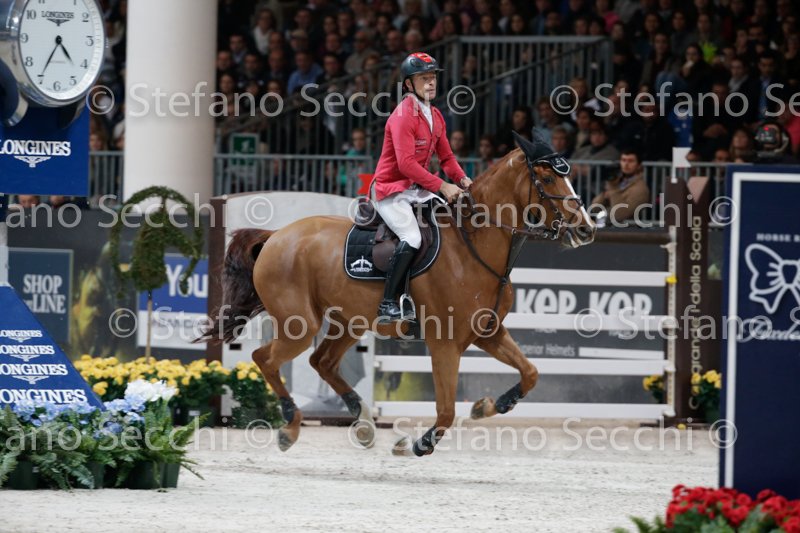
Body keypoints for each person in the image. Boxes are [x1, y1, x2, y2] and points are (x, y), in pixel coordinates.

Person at [371, 52, 471, 323]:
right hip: (392, 190)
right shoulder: (403, 116)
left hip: (418, 191)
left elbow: (447, 158)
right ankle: (388, 303)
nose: (431, 82)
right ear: (408, 84)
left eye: (433, 77)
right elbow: (405, 164)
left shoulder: (435, 115)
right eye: (424, 78)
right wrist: (443, 186)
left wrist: (463, 180)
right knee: (412, 237)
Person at [591, 149, 651, 225]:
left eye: (631, 161)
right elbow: (594, 208)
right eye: (623, 160)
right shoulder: (617, 181)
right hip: (607, 225)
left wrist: (613, 189)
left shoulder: (640, 188)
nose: (626, 164)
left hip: (629, 229)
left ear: (639, 165)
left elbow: (620, 215)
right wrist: (604, 196)